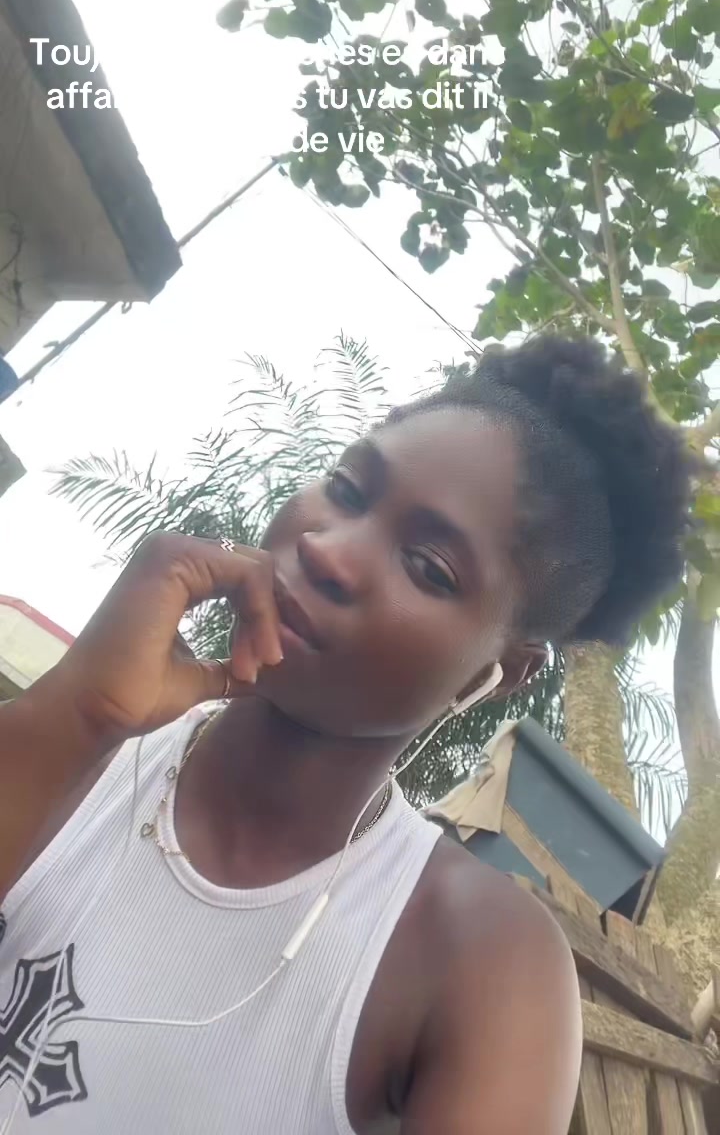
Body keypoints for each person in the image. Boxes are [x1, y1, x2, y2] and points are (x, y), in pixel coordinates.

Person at [0, 336, 693, 1135]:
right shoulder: (82, 743)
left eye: (429, 567)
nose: (327, 551)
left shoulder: (477, 958)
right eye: (346, 489)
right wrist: (78, 716)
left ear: (500, 672)